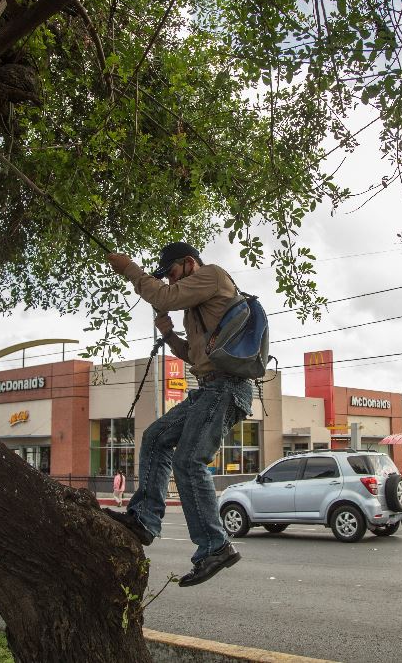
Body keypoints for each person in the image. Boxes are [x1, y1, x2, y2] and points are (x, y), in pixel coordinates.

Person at [105, 242, 252, 587]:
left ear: (189, 264)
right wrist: (170, 335)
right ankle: (144, 519)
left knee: (189, 461)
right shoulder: (197, 308)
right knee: (155, 437)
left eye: (171, 274)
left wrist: (129, 267)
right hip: (211, 387)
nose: (170, 283)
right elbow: (195, 355)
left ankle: (216, 546)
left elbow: (164, 297)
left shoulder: (212, 275)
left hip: (227, 388)